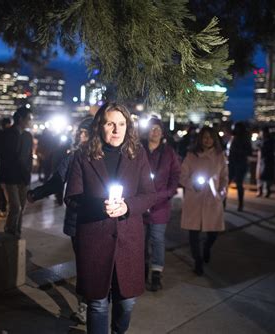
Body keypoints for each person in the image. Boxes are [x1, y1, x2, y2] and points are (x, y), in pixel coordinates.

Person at [64, 102, 155, 334]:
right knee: (97, 302)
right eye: (110, 124)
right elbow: (72, 197)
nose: (117, 130)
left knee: (127, 301)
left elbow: (149, 195)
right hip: (95, 237)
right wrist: (99, 206)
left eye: (122, 124)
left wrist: (127, 207)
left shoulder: (138, 153)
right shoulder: (82, 155)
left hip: (129, 238)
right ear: (99, 126)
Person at [26, 116, 93, 324]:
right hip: (77, 219)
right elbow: (56, 181)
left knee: (96, 264)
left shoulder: (104, 157)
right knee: (83, 264)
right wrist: (37, 193)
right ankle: (85, 305)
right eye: (80, 132)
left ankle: (96, 299)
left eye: (86, 133)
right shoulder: (72, 157)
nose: (82, 136)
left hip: (99, 219)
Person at [180, 127, 228, 276]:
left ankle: (207, 248)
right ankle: (198, 261)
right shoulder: (191, 155)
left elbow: (224, 177)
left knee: (213, 232)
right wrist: (192, 184)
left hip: (212, 199)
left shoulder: (220, 156)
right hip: (195, 198)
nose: (207, 140)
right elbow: (182, 176)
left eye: (210, 137)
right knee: (193, 232)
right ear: (200, 138)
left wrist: (221, 193)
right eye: (205, 137)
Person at [142, 117, 181, 291]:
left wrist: (166, 193)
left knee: (157, 239)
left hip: (160, 204)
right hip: (140, 204)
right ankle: (141, 269)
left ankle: (156, 271)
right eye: (152, 129)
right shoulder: (139, 150)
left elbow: (175, 176)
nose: (155, 132)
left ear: (162, 132)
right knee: (140, 240)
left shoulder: (169, 153)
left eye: (158, 129)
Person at [0, 107, 33, 238]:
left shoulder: (28, 136)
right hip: (10, 176)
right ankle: (9, 232)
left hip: (23, 176)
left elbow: (29, 157)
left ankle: (17, 233)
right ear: (20, 119)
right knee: (15, 207)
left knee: (22, 208)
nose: (30, 122)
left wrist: (28, 174)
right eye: (29, 119)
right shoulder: (5, 134)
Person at [227, 122, 252, 211]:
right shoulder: (233, 138)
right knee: (227, 183)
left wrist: (238, 152)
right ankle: (223, 203)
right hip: (232, 163)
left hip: (240, 163)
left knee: (239, 184)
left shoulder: (244, 139)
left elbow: (249, 152)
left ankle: (240, 204)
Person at [256, 126, 275, 198]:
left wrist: (260, 147)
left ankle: (266, 191)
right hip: (261, 161)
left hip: (267, 161)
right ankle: (260, 190)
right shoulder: (262, 140)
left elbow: (266, 150)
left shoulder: (269, 141)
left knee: (266, 177)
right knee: (260, 176)